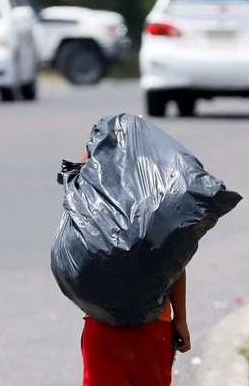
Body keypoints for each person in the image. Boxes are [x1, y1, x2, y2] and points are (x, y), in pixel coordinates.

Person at [76, 149, 192, 386]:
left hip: (101, 327)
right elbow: (176, 267)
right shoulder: (159, 212)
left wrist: (99, 145)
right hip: (152, 329)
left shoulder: (94, 209)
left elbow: (80, 176)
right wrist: (180, 319)